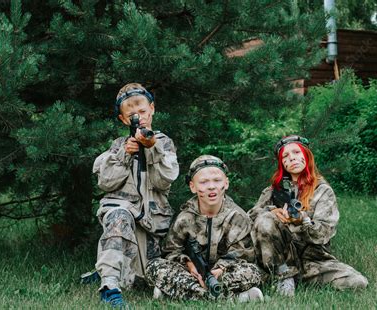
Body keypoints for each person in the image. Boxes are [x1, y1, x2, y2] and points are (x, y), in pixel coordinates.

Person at [92, 83, 179, 306]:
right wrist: (124, 154)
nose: (138, 117)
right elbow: (105, 182)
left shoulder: (164, 143)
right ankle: (110, 287)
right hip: (125, 217)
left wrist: (152, 147)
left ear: (152, 109)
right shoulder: (118, 145)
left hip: (153, 225)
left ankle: (116, 272)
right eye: (131, 115)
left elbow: (164, 179)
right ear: (123, 119)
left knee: (147, 278)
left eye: (142, 111)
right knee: (118, 215)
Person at [248, 135, 368, 296]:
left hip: (313, 260)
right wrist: (272, 212)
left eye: (296, 152)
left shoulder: (322, 190)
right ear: (282, 163)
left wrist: (302, 220)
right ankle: (283, 276)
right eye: (285, 156)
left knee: (357, 282)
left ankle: (294, 279)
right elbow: (251, 216)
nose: (292, 158)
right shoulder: (274, 190)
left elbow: (323, 233)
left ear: (306, 155)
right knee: (265, 220)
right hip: (281, 258)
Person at [146, 155, 263, 302]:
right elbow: (171, 252)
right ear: (192, 186)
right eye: (203, 182)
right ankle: (235, 297)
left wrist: (220, 269)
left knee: (252, 272)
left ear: (226, 183)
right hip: (192, 274)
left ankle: (180, 293)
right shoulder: (184, 218)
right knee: (154, 267)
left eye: (217, 180)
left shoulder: (237, 217)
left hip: (224, 274)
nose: (211, 186)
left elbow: (243, 255)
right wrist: (189, 265)